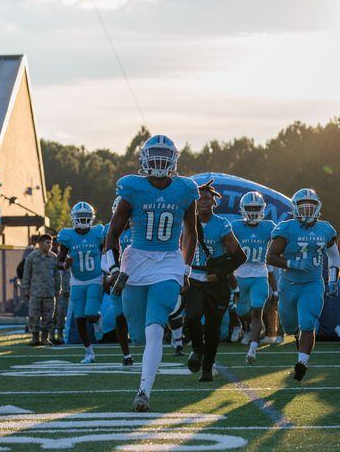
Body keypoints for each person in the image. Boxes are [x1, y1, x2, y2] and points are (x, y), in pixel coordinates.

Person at [105, 134, 199, 411]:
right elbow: (113, 231)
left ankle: (144, 390)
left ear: (174, 159)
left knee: (155, 327)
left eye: (164, 154)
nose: (159, 159)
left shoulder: (185, 189)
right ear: (144, 158)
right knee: (138, 334)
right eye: (154, 153)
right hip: (135, 262)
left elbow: (191, 233)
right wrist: (113, 266)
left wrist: (185, 269)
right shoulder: (132, 188)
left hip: (168, 260)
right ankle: (160, 333)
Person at [266, 188, 338, 381]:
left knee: (307, 322)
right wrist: (292, 263)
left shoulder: (325, 229)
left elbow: (333, 254)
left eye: (310, 206)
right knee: (289, 326)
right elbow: (270, 257)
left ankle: (302, 363)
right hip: (289, 284)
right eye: (302, 206)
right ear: (295, 208)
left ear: (317, 207)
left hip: (312, 283)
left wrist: (332, 279)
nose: (307, 210)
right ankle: (295, 335)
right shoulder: (286, 228)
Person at [184, 181, 245, 379]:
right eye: (199, 198)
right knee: (192, 316)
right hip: (193, 277)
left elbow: (239, 257)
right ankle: (197, 349)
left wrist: (219, 274)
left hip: (215, 283)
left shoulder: (222, 225)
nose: (202, 201)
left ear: (213, 202)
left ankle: (207, 368)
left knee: (213, 328)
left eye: (207, 199)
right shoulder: (186, 222)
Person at [230, 191, 275, 363]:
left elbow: (283, 238)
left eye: (256, 208)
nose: (253, 211)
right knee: (241, 310)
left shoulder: (268, 226)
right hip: (240, 274)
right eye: (250, 208)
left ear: (262, 209)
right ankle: (245, 327)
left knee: (257, 310)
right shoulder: (236, 227)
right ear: (243, 209)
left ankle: (253, 349)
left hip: (259, 273)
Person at [57, 202, 105, 362]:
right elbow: (59, 262)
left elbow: (107, 251)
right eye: (80, 217)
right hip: (77, 280)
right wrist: (65, 264)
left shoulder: (98, 233)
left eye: (86, 217)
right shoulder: (67, 236)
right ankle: (89, 352)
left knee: (90, 314)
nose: (83, 220)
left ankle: (97, 318)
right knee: (79, 318)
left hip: (95, 278)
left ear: (91, 218)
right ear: (73, 218)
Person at [103, 196, 134, 365]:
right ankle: (126, 354)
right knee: (120, 316)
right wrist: (111, 272)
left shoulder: (140, 226)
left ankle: (176, 340)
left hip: (139, 275)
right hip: (119, 277)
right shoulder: (109, 229)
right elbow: (105, 254)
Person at [23, 234, 61, 346]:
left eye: (50, 243)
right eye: (47, 242)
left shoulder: (54, 257)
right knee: (33, 316)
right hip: (35, 292)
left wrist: (58, 289)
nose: (49, 245)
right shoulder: (32, 257)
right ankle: (35, 338)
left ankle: (45, 338)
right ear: (40, 243)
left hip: (49, 293)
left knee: (48, 317)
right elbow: (26, 274)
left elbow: (57, 276)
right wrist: (26, 288)